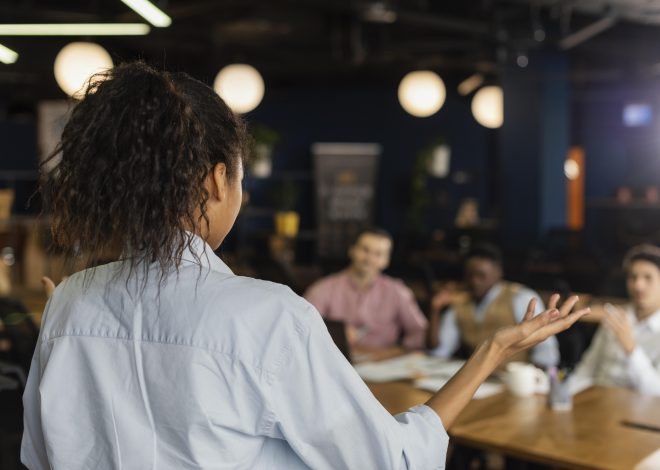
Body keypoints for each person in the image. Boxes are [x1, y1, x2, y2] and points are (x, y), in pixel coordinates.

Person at [21, 62, 589, 470]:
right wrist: (491, 353)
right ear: (216, 180)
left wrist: (72, 315)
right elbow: (394, 462)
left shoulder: (70, 303)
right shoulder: (266, 317)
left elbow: (42, 453)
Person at [429, 243, 559, 367]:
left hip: (511, 380)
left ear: (498, 273)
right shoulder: (460, 302)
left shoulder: (521, 297)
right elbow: (439, 351)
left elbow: (546, 351)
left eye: (481, 276)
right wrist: (435, 310)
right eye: (470, 276)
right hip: (473, 380)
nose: (475, 281)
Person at [304, 228, 428, 349]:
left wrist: (401, 351)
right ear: (351, 250)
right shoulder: (324, 288)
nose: (369, 259)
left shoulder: (397, 291)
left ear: (386, 261)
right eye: (365, 250)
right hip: (337, 360)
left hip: (384, 362)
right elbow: (302, 326)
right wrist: (333, 335)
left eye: (378, 254)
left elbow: (419, 331)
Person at [570, 244, 660, 396]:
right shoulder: (615, 316)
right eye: (633, 277)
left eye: (648, 277)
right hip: (596, 403)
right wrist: (565, 396)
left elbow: (656, 392)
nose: (638, 285)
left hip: (638, 412)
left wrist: (631, 349)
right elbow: (587, 368)